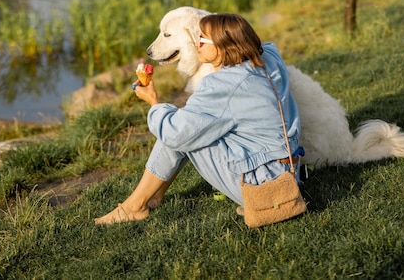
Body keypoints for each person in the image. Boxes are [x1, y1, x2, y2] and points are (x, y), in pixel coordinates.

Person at [94, 13, 301, 224]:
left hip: (263, 185)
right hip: (289, 172)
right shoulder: (269, 56)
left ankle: (134, 207)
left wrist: (154, 102)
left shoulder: (223, 84)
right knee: (188, 123)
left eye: (202, 39)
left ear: (223, 45)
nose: (196, 43)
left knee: (180, 129)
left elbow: (175, 134)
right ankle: (153, 195)